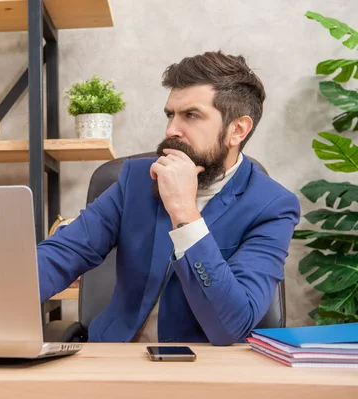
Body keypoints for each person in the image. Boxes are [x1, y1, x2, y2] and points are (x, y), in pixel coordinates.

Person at [36, 50, 301, 346]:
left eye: (191, 115)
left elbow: (231, 326)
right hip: (115, 357)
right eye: (170, 115)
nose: (171, 130)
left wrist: (184, 211)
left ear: (237, 130)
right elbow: (61, 255)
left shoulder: (272, 206)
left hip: (203, 367)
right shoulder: (135, 179)